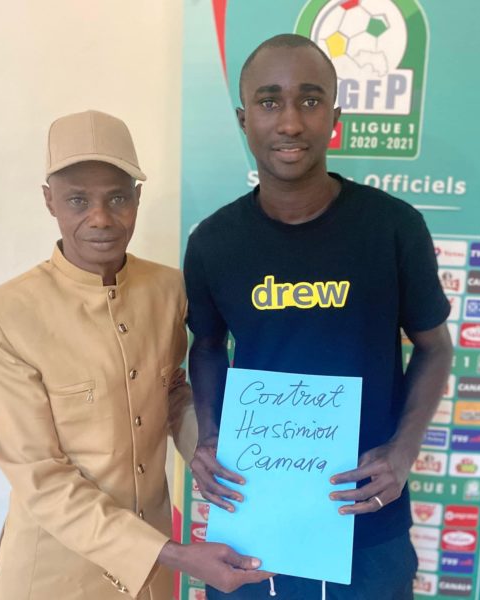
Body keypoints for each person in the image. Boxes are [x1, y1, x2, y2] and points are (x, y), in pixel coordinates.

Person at [184, 35, 453, 599]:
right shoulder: (213, 242)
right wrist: (209, 436)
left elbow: (435, 346)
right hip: (256, 517)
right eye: (269, 101)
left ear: (335, 117)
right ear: (243, 119)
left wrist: (403, 451)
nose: (289, 122)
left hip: (367, 516)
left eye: (309, 101)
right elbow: (206, 346)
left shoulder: (393, 227)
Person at [0, 110, 271, 600]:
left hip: (152, 579)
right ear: (49, 201)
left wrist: (210, 451)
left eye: (116, 197)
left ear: (137, 197)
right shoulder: (3, 315)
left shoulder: (167, 288)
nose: (101, 218)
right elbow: (40, 477)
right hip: (54, 576)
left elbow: (170, 390)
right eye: (77, 200)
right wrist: (172, 553)